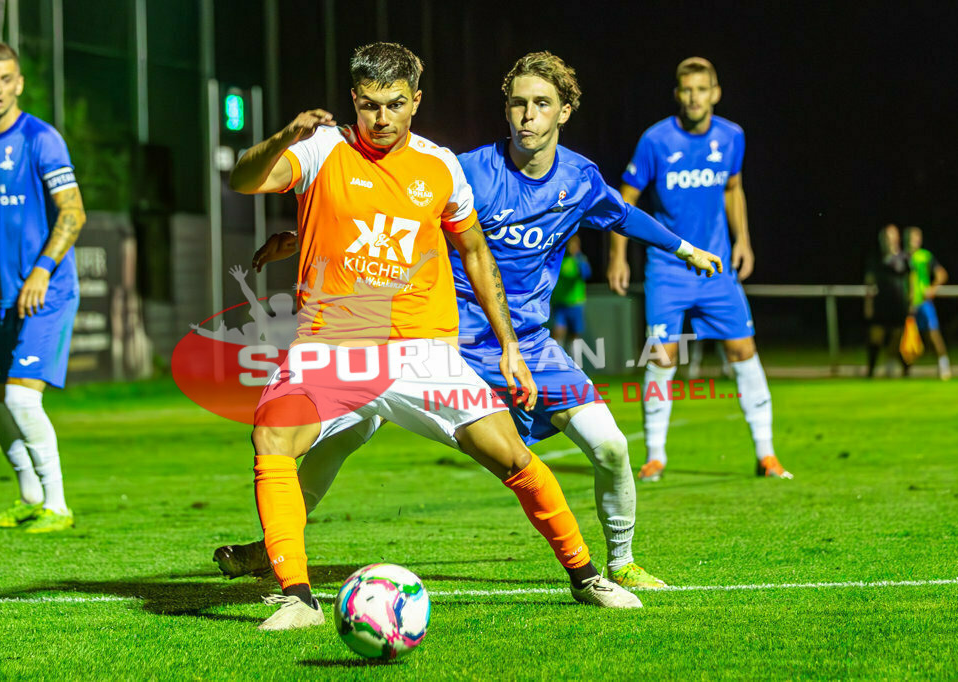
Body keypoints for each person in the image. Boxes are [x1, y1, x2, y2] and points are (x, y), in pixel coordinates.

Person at [215, 50, 723, 591]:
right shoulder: (471, 168)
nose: (528, 115)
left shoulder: (579, 179)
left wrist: (684, 247)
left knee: (608, 446)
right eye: (518, 104)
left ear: (565, 111)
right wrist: (301, 238)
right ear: (505, 109)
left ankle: (617, 563)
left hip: (521, 340)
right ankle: (270, 550)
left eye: (541, 104)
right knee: (338, 439)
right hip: (442, 336)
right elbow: (389, 217)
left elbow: (623, 215)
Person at [608, 57, 792, 482]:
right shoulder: (655, 140)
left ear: (715, 93)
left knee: (744, 352)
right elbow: (624, 200)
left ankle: (766, 455)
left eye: (702, 89)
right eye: (687, 90)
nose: (694, 97)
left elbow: (734, 188)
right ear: (678, 94)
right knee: (662, 357)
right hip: (668, 268)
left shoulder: (732, 137)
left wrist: (743, 239)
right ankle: (655, 455)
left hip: (716, 269)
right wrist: (618, 257)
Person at [0, 43, 86, 531]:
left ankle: (58, 506)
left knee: (19, 399)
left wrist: (41, 271)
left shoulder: (42, 139)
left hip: (46, 293)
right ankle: (31, 496)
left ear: (19, 83)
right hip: (4, 296)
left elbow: (73, 212)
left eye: (5, 79)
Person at [904, 226, 951, 380]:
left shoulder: (925, 256)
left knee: (932, 334)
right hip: (906, 304)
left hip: (923, 303)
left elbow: (942, 274)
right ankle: (904, 369)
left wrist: (932, 288)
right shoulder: (901, 257)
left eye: (917, 237)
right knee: (904, 337)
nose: (914, 241)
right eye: (911, 237)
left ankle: (943, 364)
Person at [864, 224, 910, 378]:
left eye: (890, 236)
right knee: (875, 337)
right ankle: (870, 372)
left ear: (896, 237)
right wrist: (868, 304)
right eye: (884, 236)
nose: (887, 239)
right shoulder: (875, 258)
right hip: (881, 303)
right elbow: (869, 283)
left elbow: (911, 281)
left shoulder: (904, 258)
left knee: (897, 340)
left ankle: (906, 369)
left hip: (899, 304)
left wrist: (912, 301)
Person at [550, 235, 591, 352]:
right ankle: (556, 359)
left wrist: (577, 255)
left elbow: (586, 274)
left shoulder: (580, 259)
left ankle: (574, 361)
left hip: (576, 303)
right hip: (560, 303)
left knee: (575, 334)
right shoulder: (557, 259)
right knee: (558, 331)